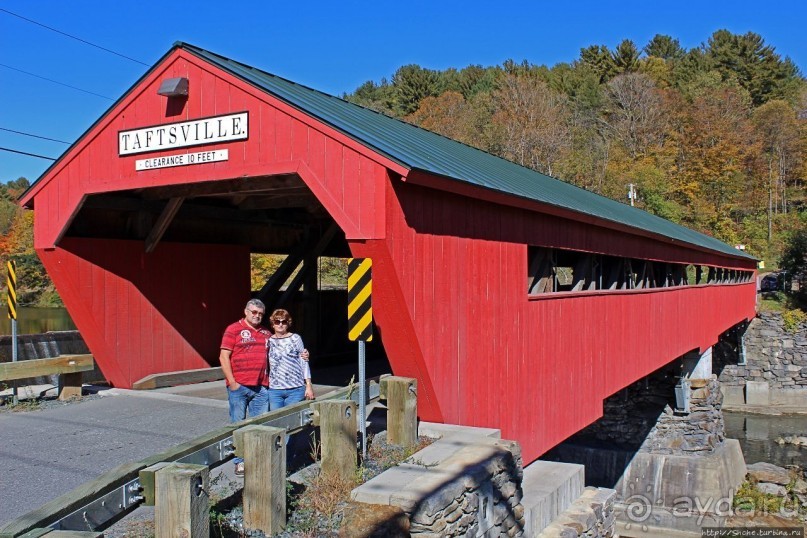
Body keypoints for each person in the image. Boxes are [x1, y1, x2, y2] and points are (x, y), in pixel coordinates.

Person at [219, 298, 271, 476]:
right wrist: (232, 383)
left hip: (260, 387)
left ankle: (257, 459)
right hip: (239, 386)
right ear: (246, 311)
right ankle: (239, 461)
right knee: (238, 425)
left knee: (260, 426)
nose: (257, 316)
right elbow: (223, 357)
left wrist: (303, 353)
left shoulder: (266, 332)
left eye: (260, 314)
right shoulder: (233, 329)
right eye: (254, 312)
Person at [267, 309, 314, 410]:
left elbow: (304, 361)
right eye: (277, 322)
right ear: (273, 324)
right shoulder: (268, 341)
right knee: (276, 421)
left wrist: (308, 385)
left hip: (295, 389)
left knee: (292, 421)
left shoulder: (295, 338)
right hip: (275, 390)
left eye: (283, 322)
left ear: (288, 323)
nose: (280, 324)